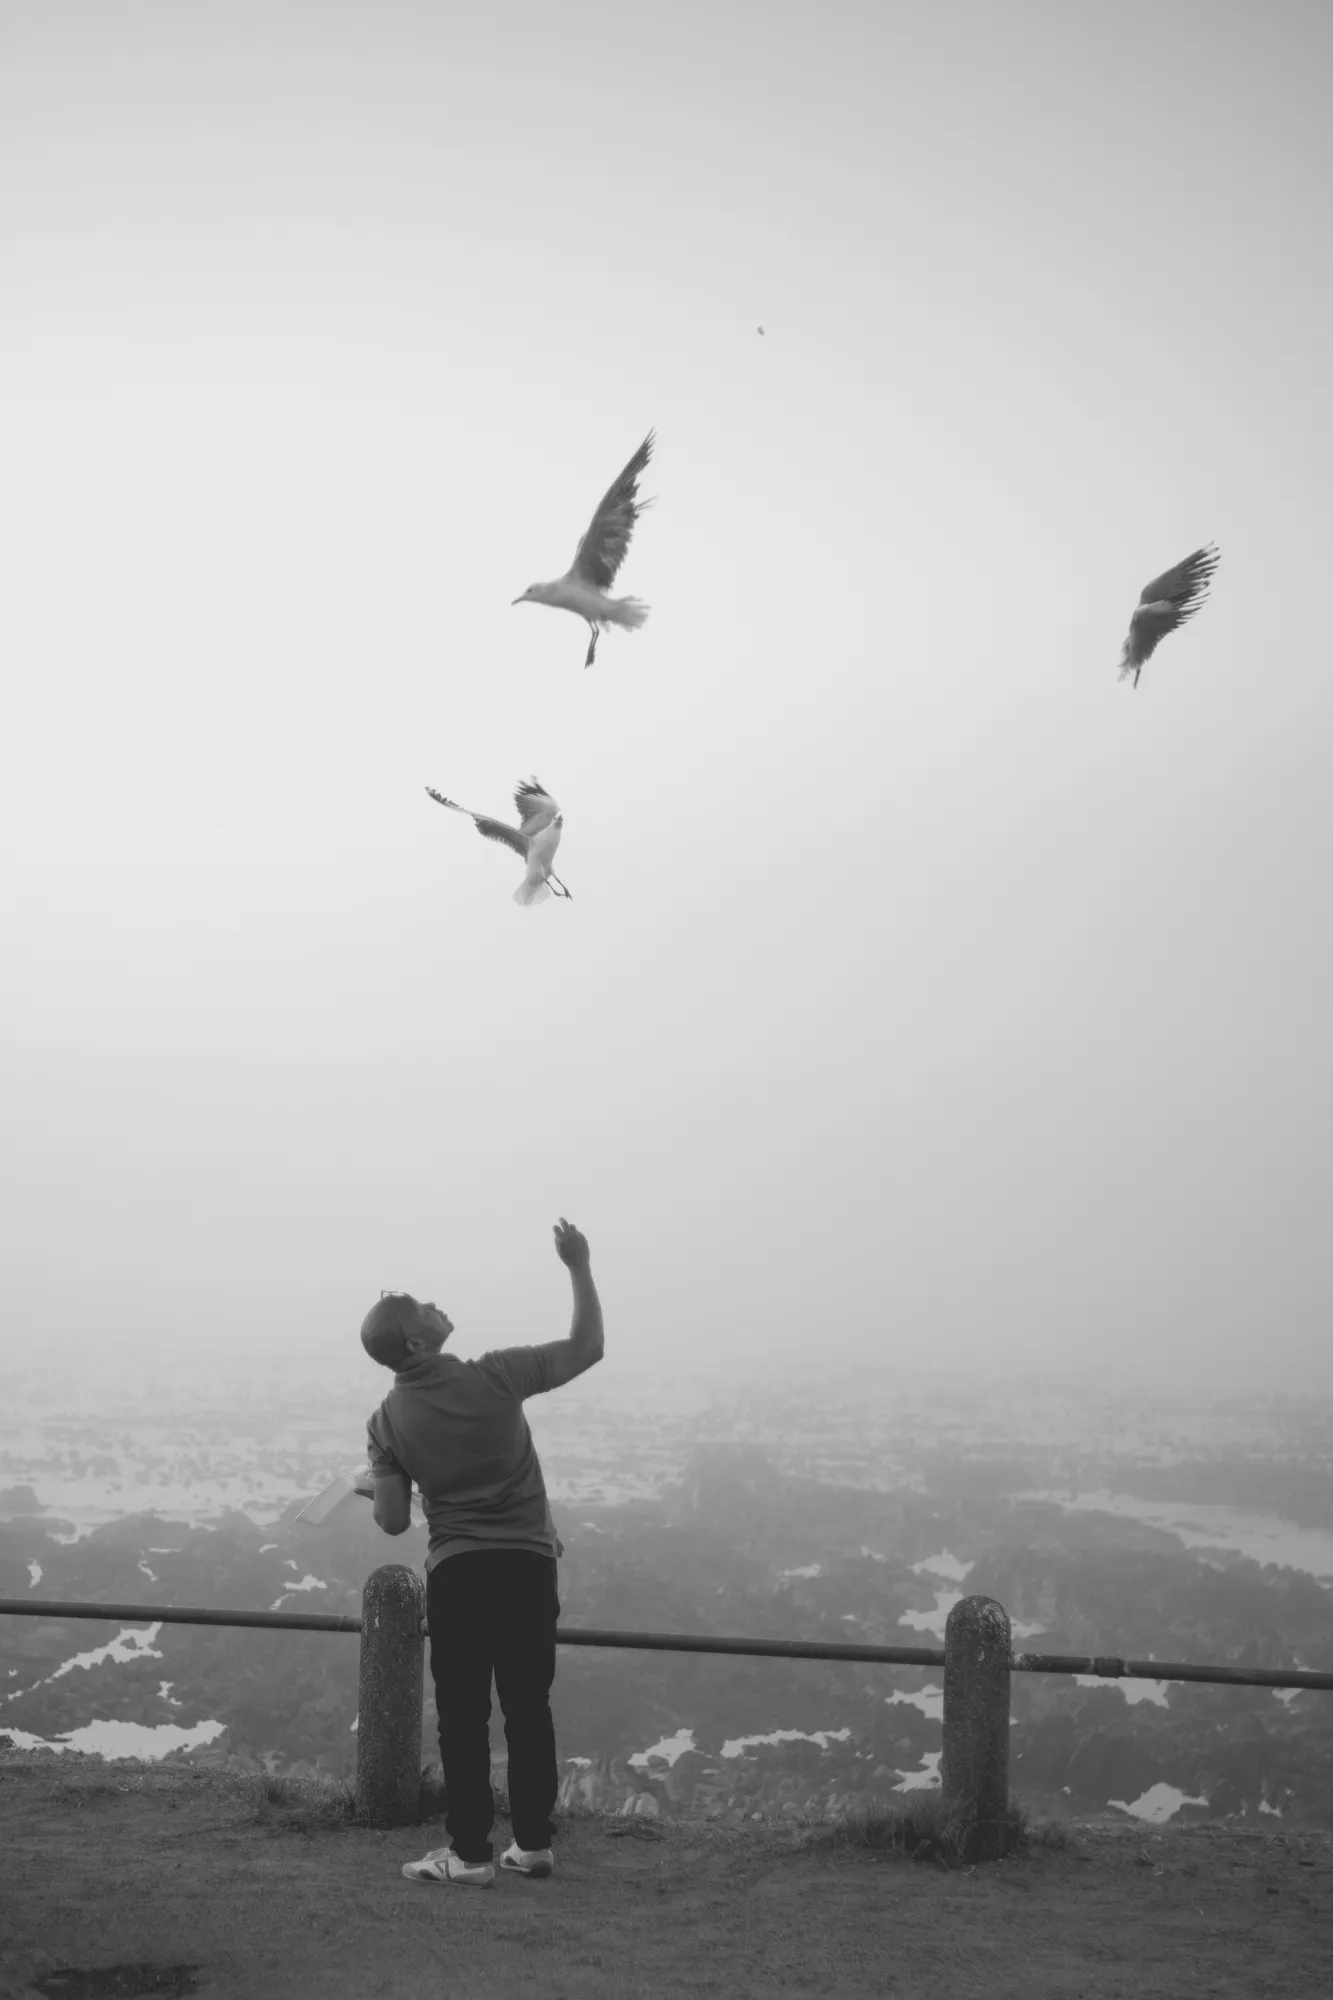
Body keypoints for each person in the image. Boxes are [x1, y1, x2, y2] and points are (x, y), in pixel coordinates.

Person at [357, 1216, 604, 1889]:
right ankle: (532, 1844)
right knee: (529, 1709)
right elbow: (588, 1347)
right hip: (527, 1565)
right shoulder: (498, 1375)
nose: (436, 1306)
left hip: (459, 1573)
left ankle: (467, 1855)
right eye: (424, 1307)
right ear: (415, 1338)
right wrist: (578, 1264)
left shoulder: (385, 1423)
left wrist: (376, 1481)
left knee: (462, 1718)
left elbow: (391, 1520)